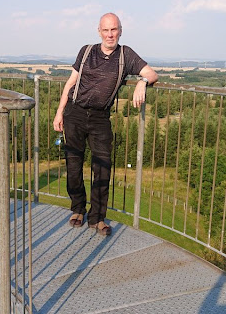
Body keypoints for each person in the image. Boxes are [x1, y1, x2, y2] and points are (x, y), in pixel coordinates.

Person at [52, 13, 158, 236]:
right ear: (99, 31)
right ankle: (78, 209)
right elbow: (71, 83)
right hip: (75, 112)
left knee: (102, 167)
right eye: (106, 30)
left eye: (114, 30)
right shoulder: (87, 51)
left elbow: (151, 73)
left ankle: (97, 217)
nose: (110, 34)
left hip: (100, 118)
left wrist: (142, 82)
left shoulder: (126, 55)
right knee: (73, 164)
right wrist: (59, 112)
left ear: (120, 30)